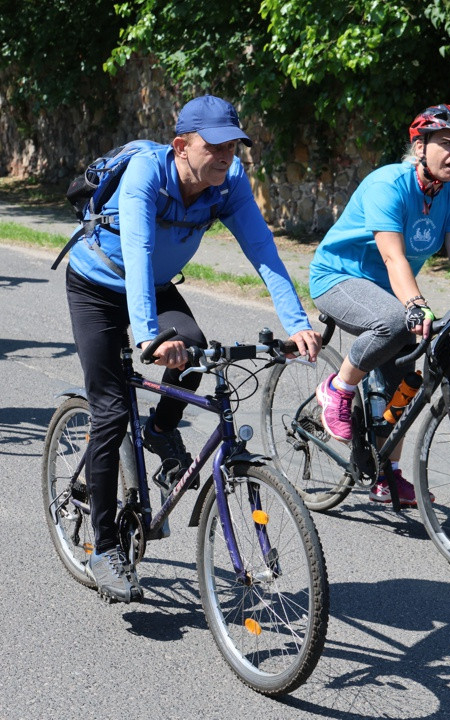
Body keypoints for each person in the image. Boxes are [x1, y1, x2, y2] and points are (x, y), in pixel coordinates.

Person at [64, 95, 321, 602]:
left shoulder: (228, 185)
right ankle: (105, 548)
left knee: (199, 351)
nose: (227, 156)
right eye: (216, 146)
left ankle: (160, 431)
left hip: (156, 288)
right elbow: (136, 251)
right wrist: (148, 336)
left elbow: (262, 249)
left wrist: (296, 322)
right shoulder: (146, 175)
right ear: (181, 146)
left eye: (235, 147)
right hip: (97, 286)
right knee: (112, 414)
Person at [309, 104, 450, 506]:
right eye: (445, 143)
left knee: (402, 382)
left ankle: (386, 473)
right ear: (419, 145)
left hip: (390, 290)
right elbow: (393, 257)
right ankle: (337, 386)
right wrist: (415, 304)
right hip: (338, 278)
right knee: (395, 321)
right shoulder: (388, 185)